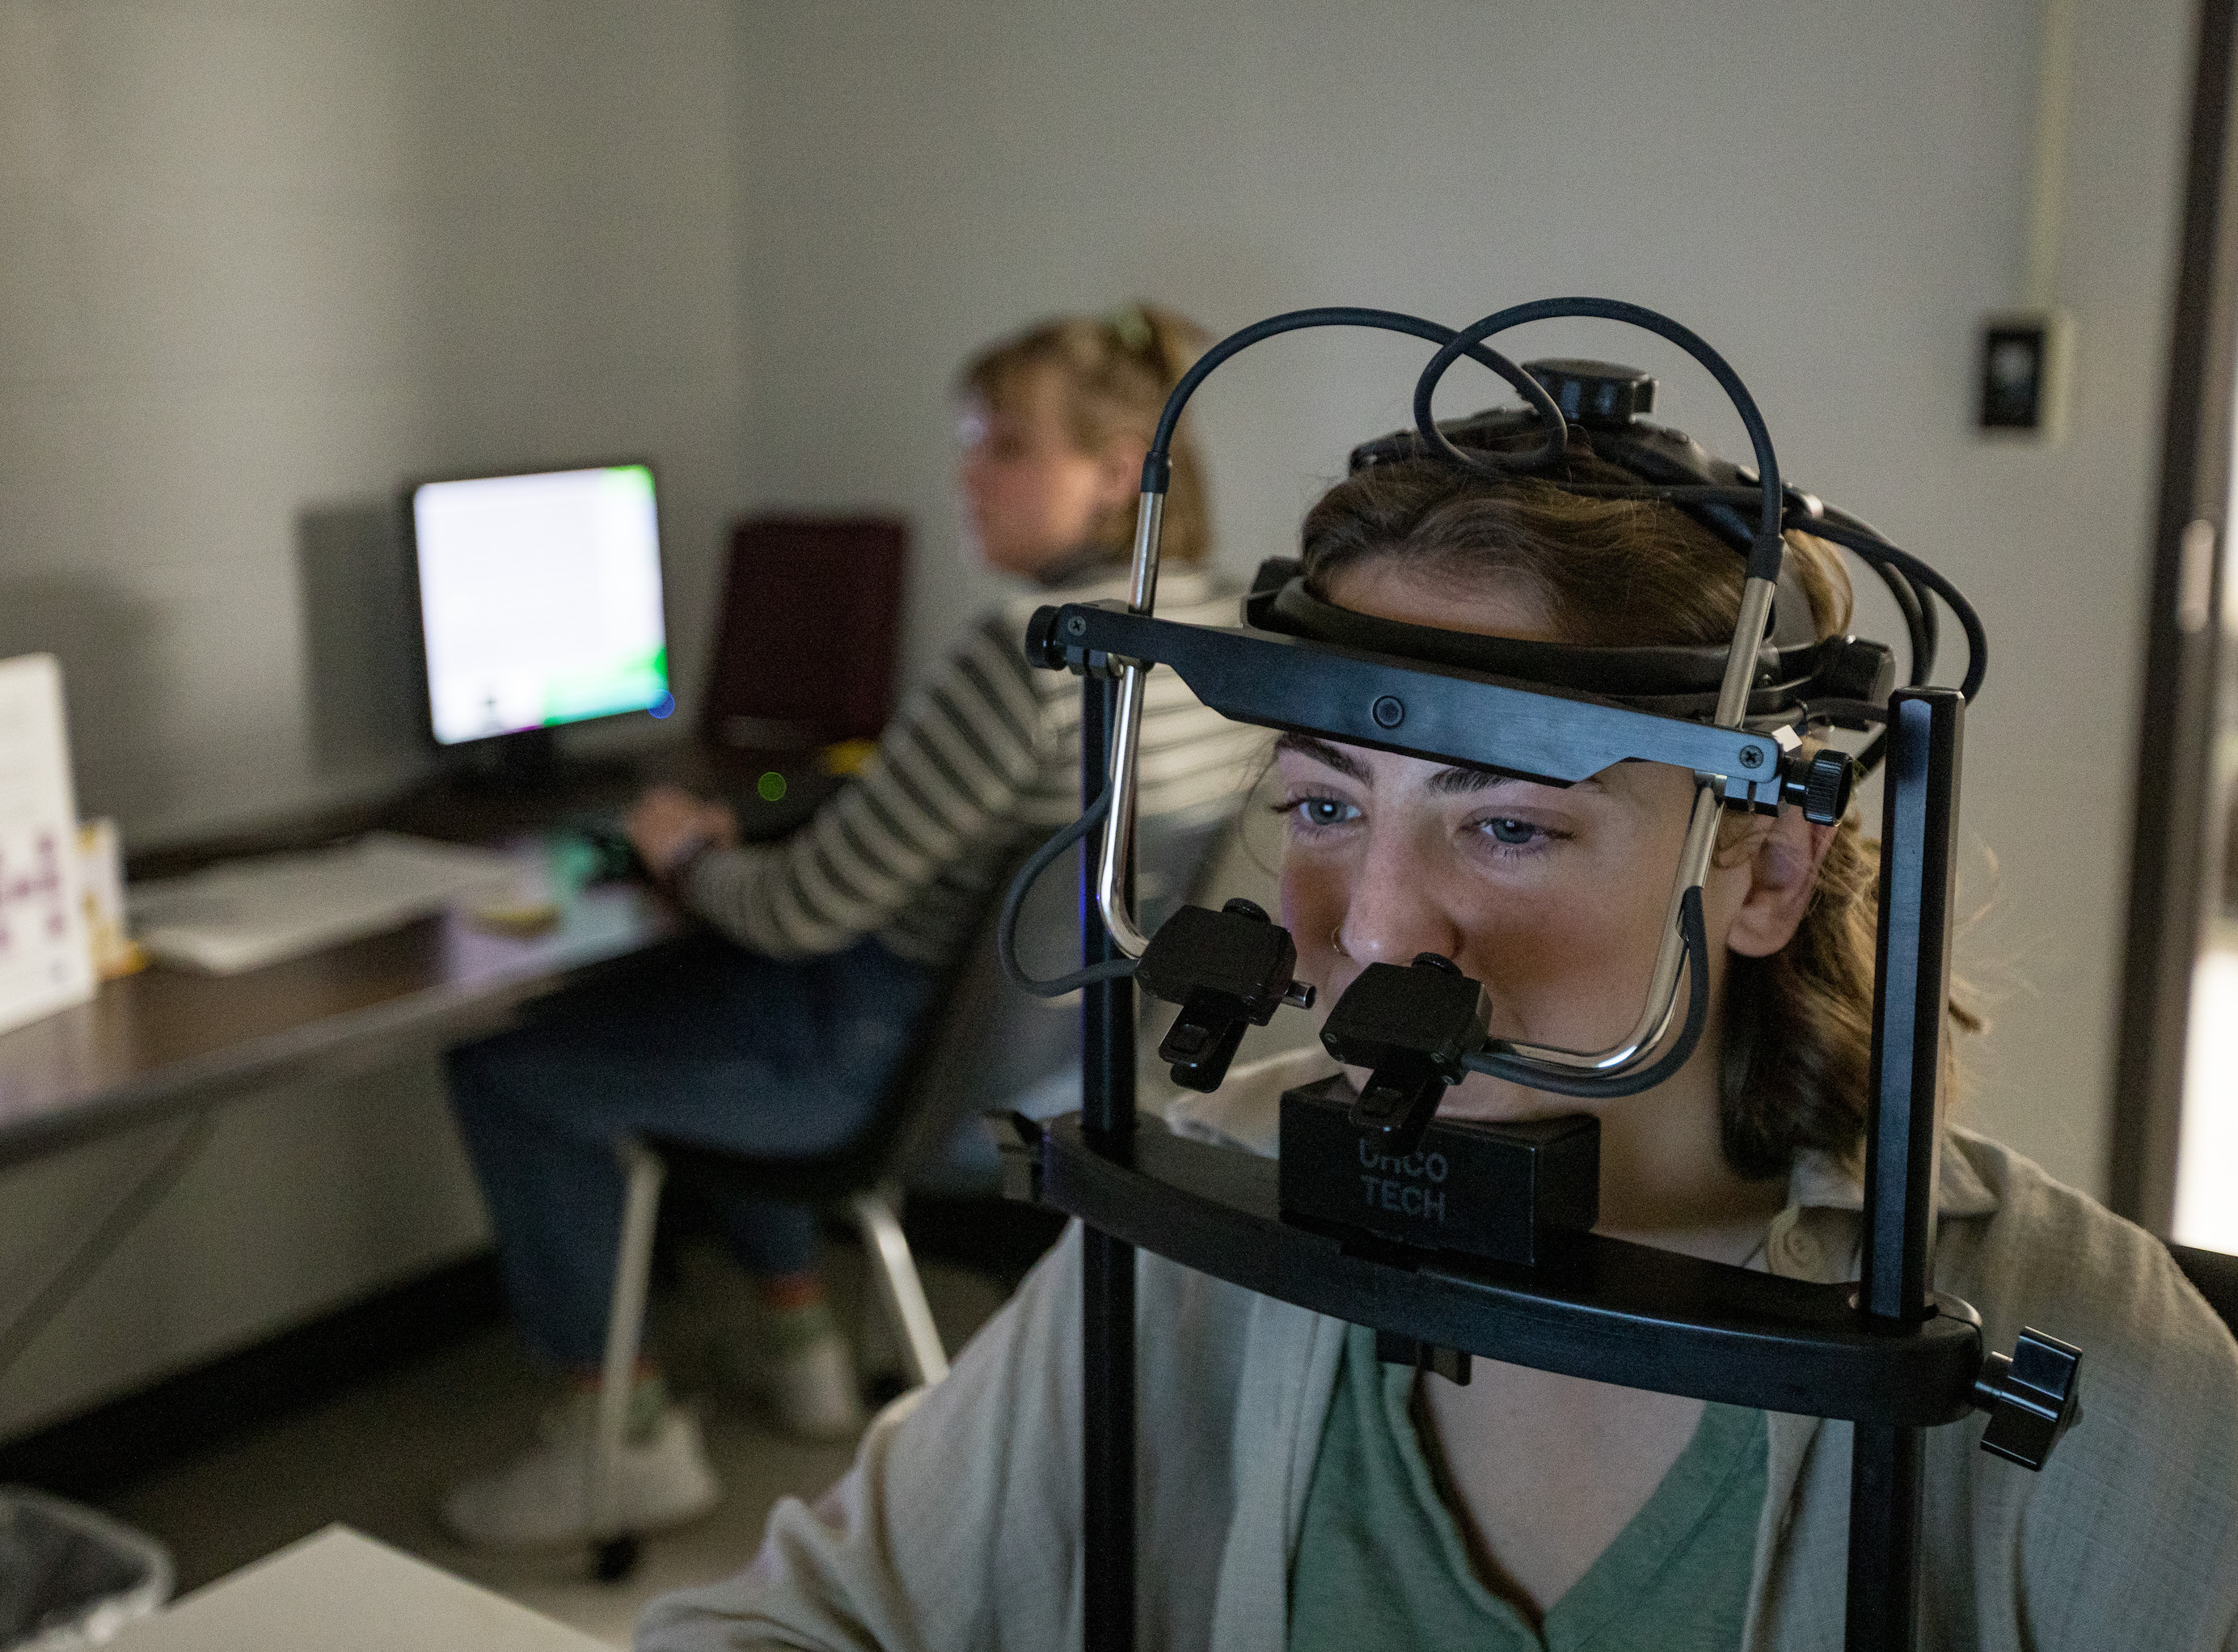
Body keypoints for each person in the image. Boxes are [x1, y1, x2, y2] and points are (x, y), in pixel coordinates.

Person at [636, 443, 2238, 1646]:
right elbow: (791, 1614)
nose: (1370, 933)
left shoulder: (2078, 1352)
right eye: (1324, 805)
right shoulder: (1218, 1208)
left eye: (1509, 825)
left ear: (1759, 867)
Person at [438, 304, 1265, 1553]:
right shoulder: (1220, 630)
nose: (964, 475)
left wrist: (689, 847)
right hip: (1034, 1068)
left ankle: (623, 1438)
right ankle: (802, 1345)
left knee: (505, 1064)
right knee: (709, 989)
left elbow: (801, 908)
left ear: (1110, 473)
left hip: (865, 1074)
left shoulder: (1025, 655)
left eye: (1002, 447)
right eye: (968, 443)